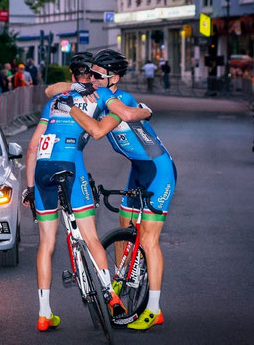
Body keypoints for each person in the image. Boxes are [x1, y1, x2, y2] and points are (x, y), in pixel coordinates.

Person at [22, 52, 151, 332]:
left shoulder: (57, 101)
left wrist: (30, 189)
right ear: (90, 76)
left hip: (42, 169)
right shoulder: (101, 95)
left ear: (72, 76)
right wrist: (146, 110)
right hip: (71, 165)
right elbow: (125, 114)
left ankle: (44, 314)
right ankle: (111, 295)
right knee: (90, 235)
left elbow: (32, 147)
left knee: (46, 244)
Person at [50, 49, 177, 331]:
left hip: (159, 171)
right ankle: (120, 281)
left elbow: (105, 126)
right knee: (124, 221)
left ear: (114, 78)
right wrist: (73, 87)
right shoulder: (96, 92)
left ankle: (154, 309)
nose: (91, 78)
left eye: (97, 75)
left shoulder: (118, 99)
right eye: (90, 74)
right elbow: (53, 89)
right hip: (137, 168)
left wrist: (148, 110)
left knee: (148, 239)